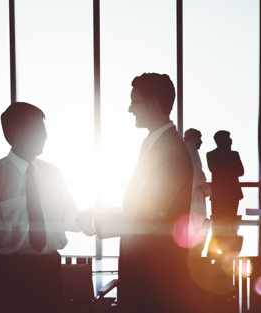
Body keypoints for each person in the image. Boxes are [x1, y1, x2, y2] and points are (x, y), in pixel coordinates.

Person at [77, 73, 194, 313]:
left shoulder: (170, 152)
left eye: (135, 102)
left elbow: (149, 215)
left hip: (156, 272)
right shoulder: (152, 144)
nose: (130, 109)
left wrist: (96, 221)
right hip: (143, 266)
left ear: (153, 104)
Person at [0, 102, 79, 313]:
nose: (45, 135)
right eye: (40, 128)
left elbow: (69, 214)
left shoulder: (52, 173)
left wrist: (91, 220)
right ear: (17, 133)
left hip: (50, 270)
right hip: (12, 274)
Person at [183, 128, 212, 256]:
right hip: (195, 198)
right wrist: (209, 191)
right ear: (194, 138)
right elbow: (199, 177)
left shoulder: (183, 151)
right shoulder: (192, 153)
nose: (201, 142)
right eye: (199, 138)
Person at [207, 130, 244, 219]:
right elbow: (214, 170)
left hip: (233, 194)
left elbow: (241, 172)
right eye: (228, 138)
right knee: (218, 222)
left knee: (232, 221)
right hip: (219, 195)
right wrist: (231, 169)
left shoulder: (235, 154)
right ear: (221, 141)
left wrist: (224, 169)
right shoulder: (211, 155)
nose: (231, 141)